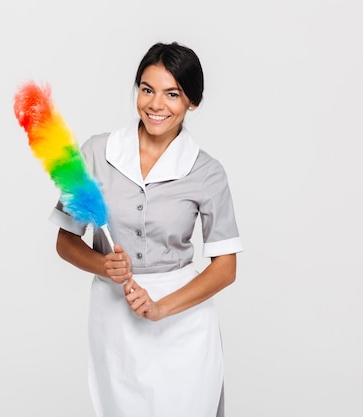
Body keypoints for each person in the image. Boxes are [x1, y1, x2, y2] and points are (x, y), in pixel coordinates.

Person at [48, 41, 243, 417]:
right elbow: (66, 241)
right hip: (115, 320)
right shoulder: (95, 154)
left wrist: (160, 307)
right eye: (146, 89)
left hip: (183, 321)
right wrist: (103, 265)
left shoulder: (207, 172)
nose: (156, 104)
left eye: (173, 94)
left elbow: (225, 267)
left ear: (192, 103)